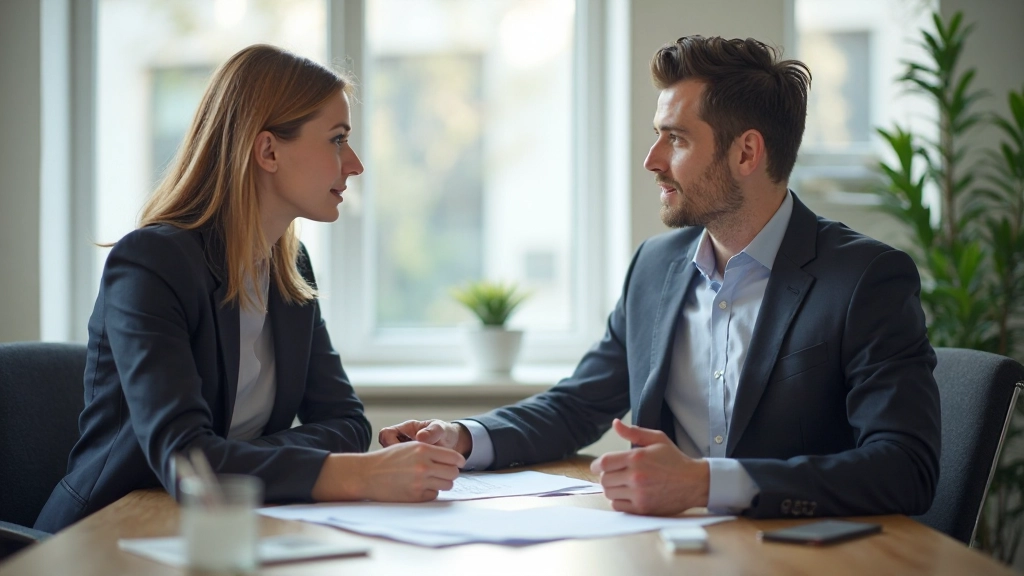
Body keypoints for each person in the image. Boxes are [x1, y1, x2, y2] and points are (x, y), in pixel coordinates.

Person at [380, 35, 941, 519]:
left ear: (746, 152)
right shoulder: (655, 265)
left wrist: (706, 484)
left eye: (676, 138)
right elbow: (577, 404)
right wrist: (460, 437)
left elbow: (904, 468)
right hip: (667, 550)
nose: (651, 159)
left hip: (803, 557)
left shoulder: (865, 279)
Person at [35, 44, 465, 533]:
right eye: (338, 140)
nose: (355, 165)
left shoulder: (290, 267)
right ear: (268, 151)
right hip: (108, 534)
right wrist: (358, 473)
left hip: (224, 527)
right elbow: (188, 464)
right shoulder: (150, 264)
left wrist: (232, 460)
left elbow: (348, 423)